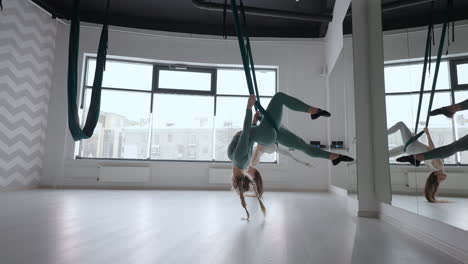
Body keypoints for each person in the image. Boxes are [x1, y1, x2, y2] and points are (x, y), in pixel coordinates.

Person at [228, 92, 354, 219]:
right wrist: (248, 108)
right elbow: (245, 135)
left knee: (303, 146)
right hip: (264, 133)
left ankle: (334, 157)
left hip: (264, 134)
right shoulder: (237, 160)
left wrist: (254, 121)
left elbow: (249, 141)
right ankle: (313, 111)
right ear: (233, 180)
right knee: (279, 97)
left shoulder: (243, 164)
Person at [388, 122, 446, 202]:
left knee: (401, 124)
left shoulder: (438, 166)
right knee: (387, 155)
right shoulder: (431, 168)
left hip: (412, 146)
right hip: (412, 149)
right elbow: (423, 152)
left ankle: (383, 134)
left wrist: (428, 134)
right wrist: (415, 138)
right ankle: (410, 158)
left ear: (435, 174)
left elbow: (432, 150)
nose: (443, 178)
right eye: (442, 180)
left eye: (440, 178)